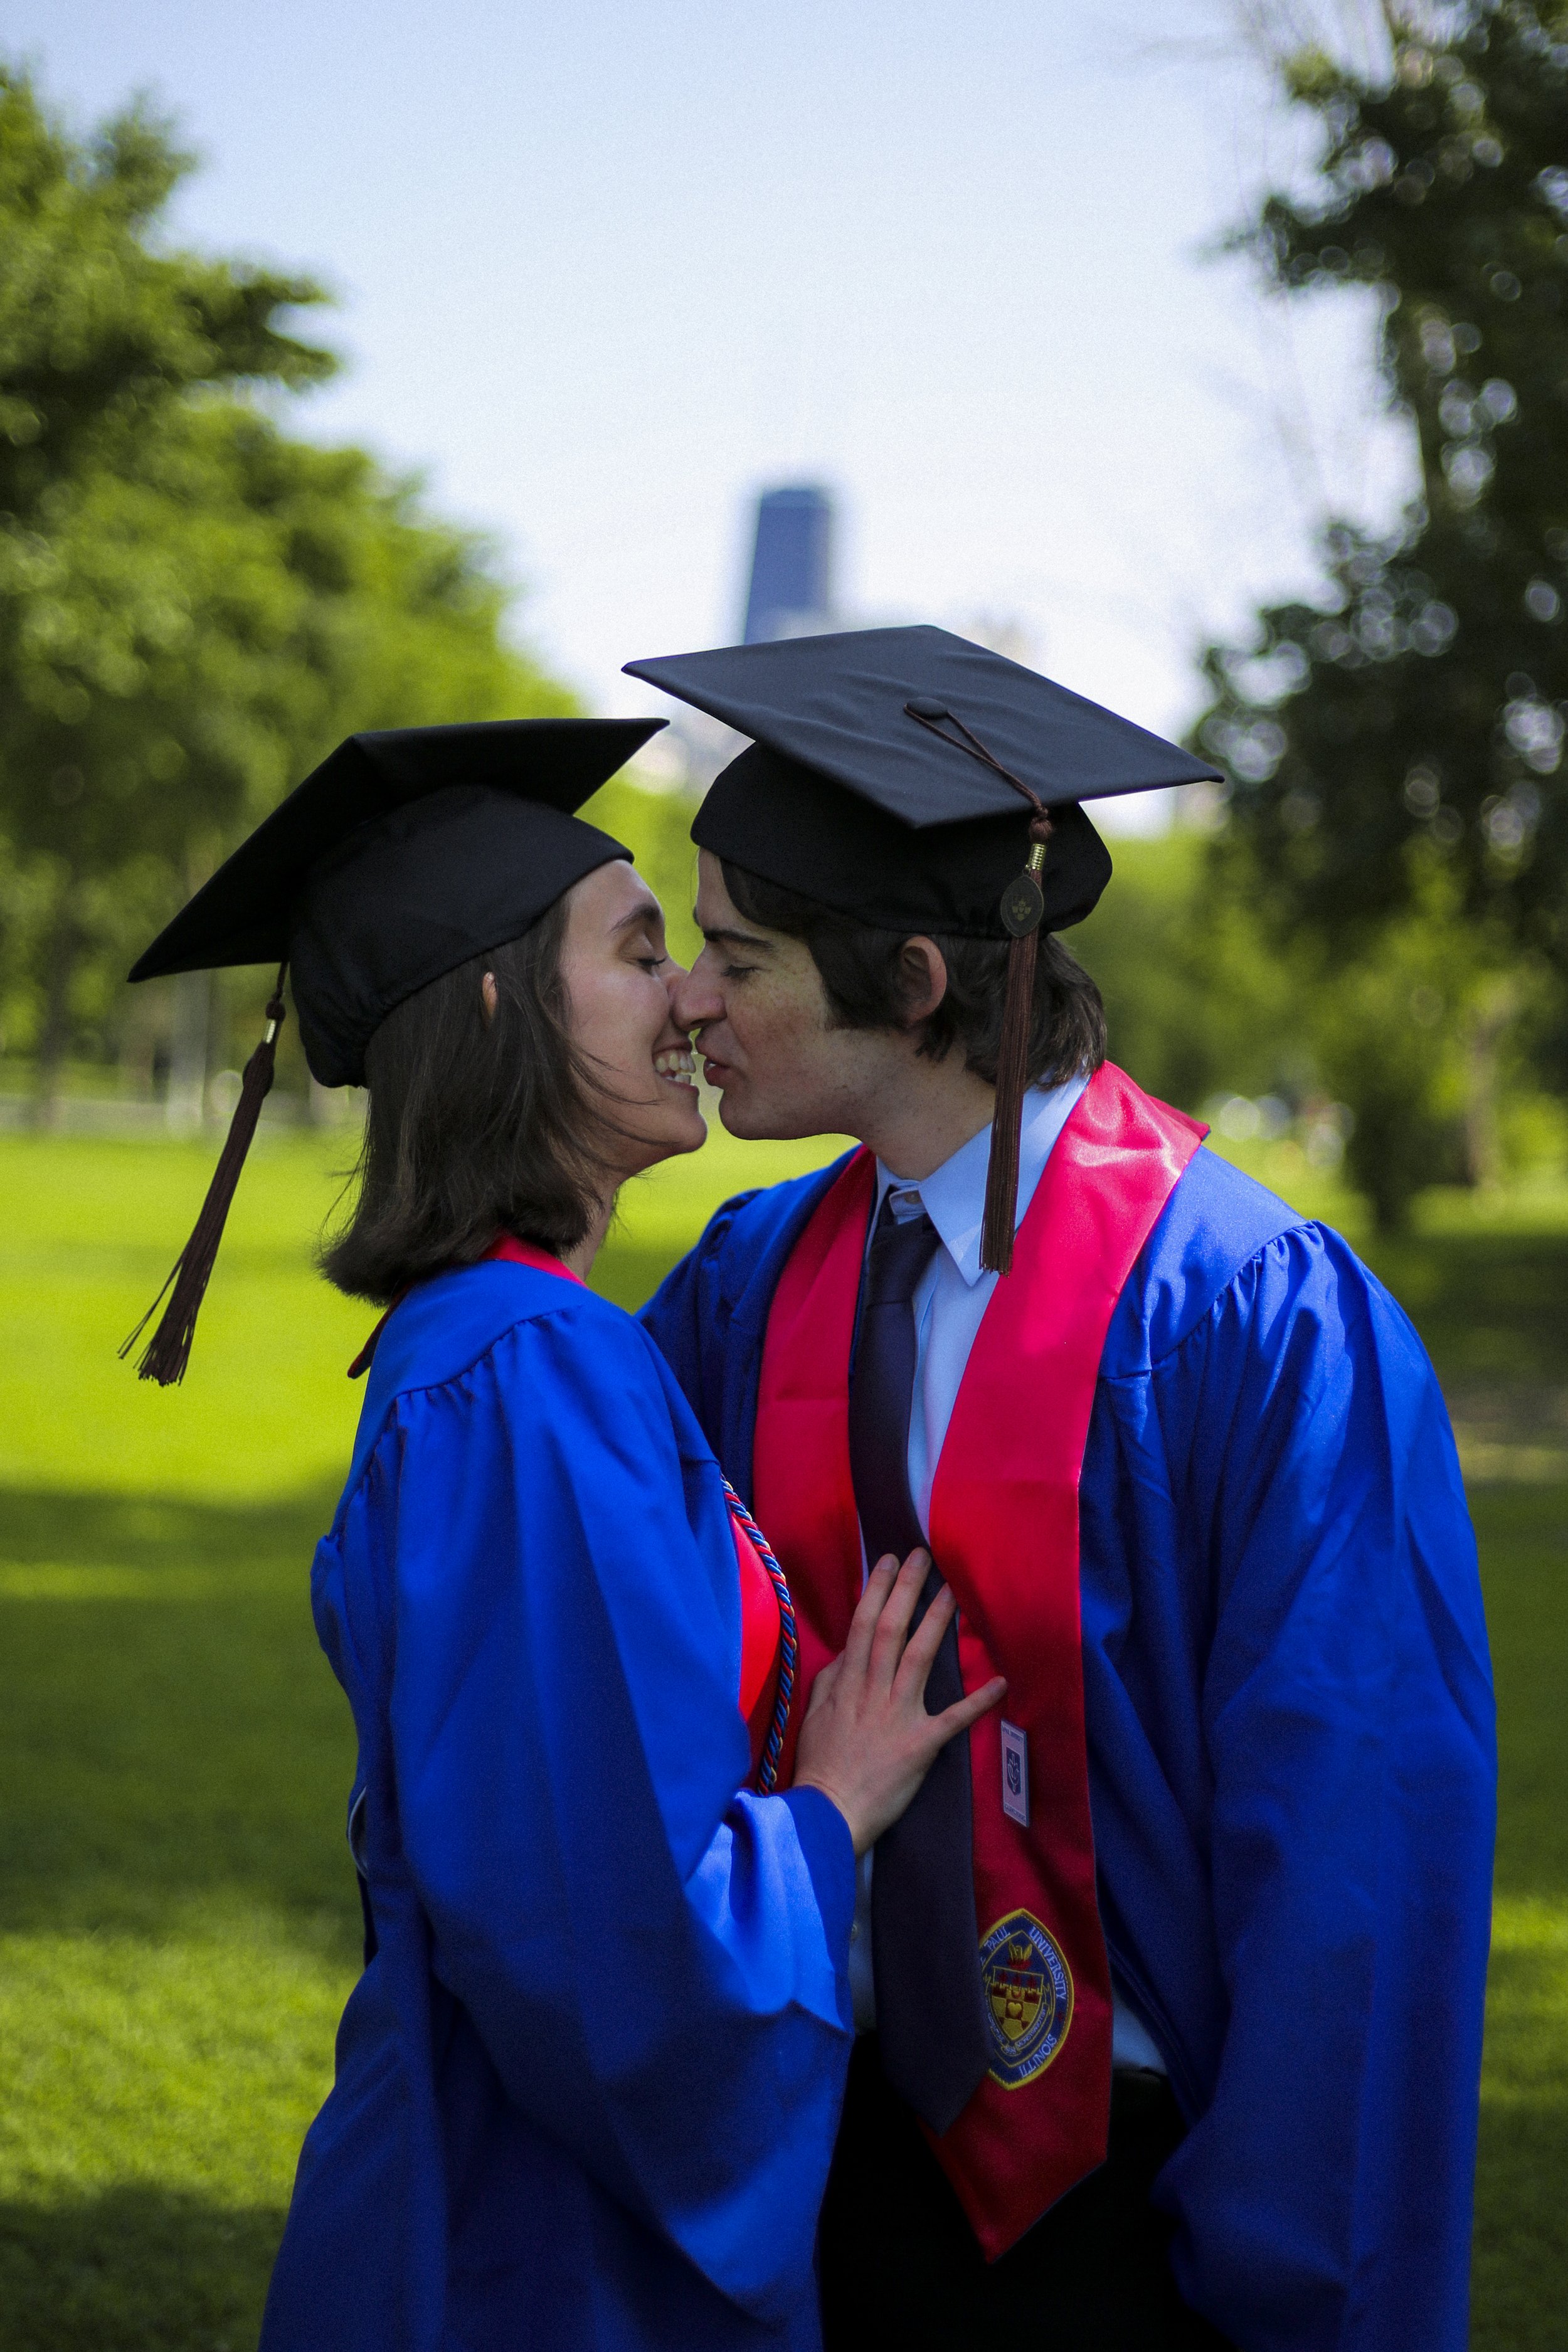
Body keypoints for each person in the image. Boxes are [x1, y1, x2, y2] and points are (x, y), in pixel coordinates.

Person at [626, 628, 1498, 2352]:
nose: (688, 999)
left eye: (736, 951)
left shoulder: (1246, 1318)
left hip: (1133, 2193)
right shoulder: (746, 1280)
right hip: (819, 2139)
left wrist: (1282, 2266)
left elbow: (1349, 1855)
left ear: (915, 985)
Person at [122, 716, 1004, 2352]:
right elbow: (600, 1938)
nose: (693, 995)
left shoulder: (520, 1347)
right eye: (640, 950)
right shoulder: (520, 1380)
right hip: (532, 2244)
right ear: (494, 1004)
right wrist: (827, 1813)